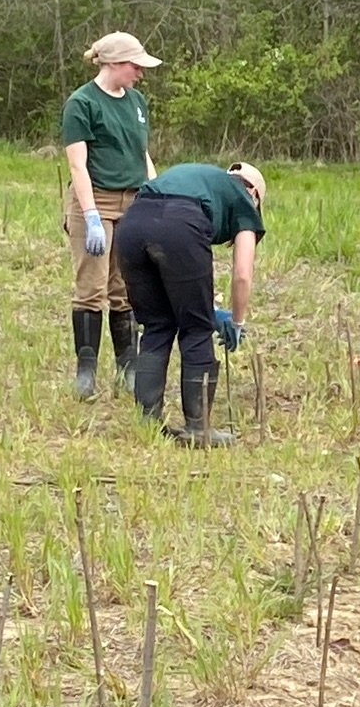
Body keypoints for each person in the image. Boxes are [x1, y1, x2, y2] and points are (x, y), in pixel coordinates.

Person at [117, 157, 265, 449]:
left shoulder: (201, 178)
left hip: (131, 224)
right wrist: (236, 321)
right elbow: (243, 275)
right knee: (196, 329)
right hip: (179, 224)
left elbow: (178, 290)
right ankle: (198, 428)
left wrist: (208, 310)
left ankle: (147, 422)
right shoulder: (244, 201)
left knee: (157, 325)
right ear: (255, 194)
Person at [56, 31, 158, 397]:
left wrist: (155, 194)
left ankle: (127, 365)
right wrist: (91, 215)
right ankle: (86, 371)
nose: (139, 74)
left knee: (125, 288)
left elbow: (141, 153)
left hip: (134, 202)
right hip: (95, 201)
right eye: (135, 66)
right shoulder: (81, 104)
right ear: (114, 64)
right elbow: (77, 165)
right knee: (91, 288)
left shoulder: (137, 102)